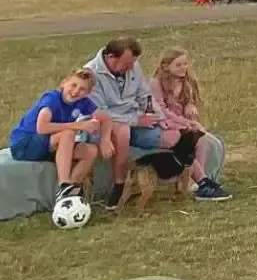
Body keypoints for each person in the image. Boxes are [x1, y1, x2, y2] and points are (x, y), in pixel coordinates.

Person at [87, 37, 177, 209]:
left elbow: (145, 96)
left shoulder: (133, 66)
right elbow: (101, 112)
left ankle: (189, 182)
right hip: (104, 124)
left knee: (171, 136)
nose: (130, 68)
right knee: (123, 132)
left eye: (133, 64)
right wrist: (136, 120)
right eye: (126, 64)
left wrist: (159, 117)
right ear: (111, 57)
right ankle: (119, 185)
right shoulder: (91, 73)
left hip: (135, 120)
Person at [146, 48, 232, 201]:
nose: (183, 68)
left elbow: (191, 101)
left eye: (185, 64)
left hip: (183, 122)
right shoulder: (155, 83)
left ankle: (198, 180)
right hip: (165, 123)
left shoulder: (186, 82)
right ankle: (202, 182)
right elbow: (162, 111)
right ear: (166, 67)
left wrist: (191, 106)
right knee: (185, 141)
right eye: (178, 65)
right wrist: (187, 123)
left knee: (202, 139)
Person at [9, 68, 106, 201]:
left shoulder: (82, 102)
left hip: (49, 144)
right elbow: (42, 127)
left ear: (88, 93)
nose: (76, 91)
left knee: (90, 151)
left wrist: (104, 137)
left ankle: (69, 193)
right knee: (68, 134)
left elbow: (104, 117)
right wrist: (79, 125)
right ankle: (64, 184)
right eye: (73, 85)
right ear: (63, 83)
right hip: (25, 144)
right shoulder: (51, 98)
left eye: (82, 89)